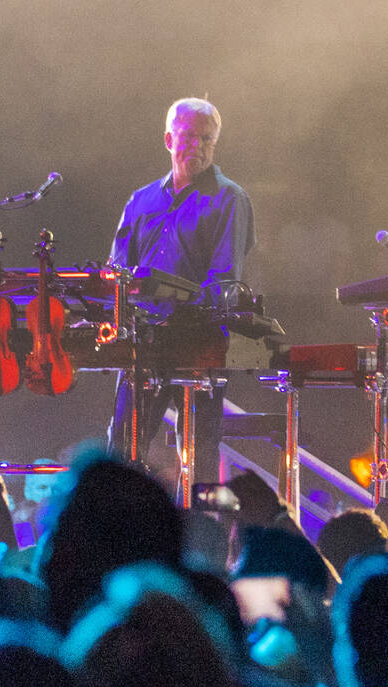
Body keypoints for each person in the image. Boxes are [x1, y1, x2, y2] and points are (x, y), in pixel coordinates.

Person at [107, 97, 256, 482]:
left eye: (207, 139)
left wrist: (180, 306)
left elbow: (225, 278)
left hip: (198, 342)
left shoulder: (230, 198)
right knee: (122, 447)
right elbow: (117, 271)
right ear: (169, 140)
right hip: (145, 341)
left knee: (199, 452)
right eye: (189, 136)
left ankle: (198, 536)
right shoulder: (141, 200)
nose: (199, 146)